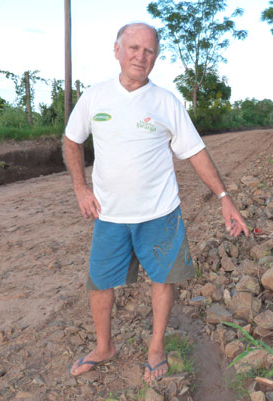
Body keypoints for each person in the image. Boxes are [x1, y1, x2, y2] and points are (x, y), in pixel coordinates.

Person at [63, 22, 249, 383]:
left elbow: (195, 152)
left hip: (160, 214)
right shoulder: (94, 97)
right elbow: (72, 141)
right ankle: (104, 347)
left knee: (163, 280)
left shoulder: (166, 102)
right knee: (100, 283)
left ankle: (156, 347)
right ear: (116, 50)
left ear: (156, 57)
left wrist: (225, 197)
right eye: (133, 48)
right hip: (110, 215)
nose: (140, 56)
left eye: (148, 51)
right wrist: (80, 189)